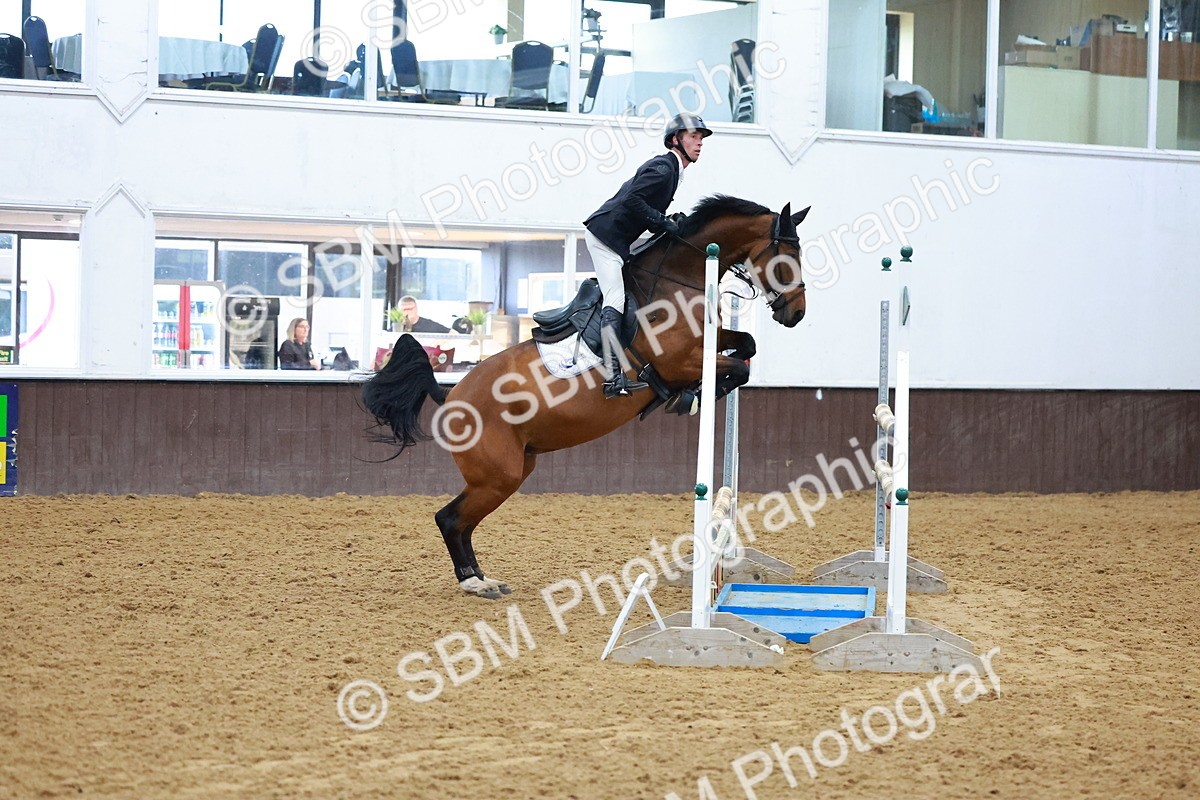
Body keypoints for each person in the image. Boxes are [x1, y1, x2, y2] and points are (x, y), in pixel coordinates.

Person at [583, 112, 712, 398]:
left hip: (617, 240)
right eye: (693, 137)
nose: (699, 143)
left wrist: (666, 220)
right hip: (605, 237)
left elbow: (643, 205)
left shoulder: (672, 170)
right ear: (675, 139)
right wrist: (661, 221)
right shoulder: (664, 168)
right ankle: (612, 376)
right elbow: (632, 200)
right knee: (615, 299)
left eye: (701, 138)